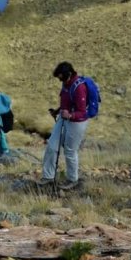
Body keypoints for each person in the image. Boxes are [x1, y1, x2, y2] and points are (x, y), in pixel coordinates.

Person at [40, 61, 92, 191]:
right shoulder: (66, 84)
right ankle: (48, 177)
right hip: (63, 118)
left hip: (77, 122)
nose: (60, 81)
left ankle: (72, 179)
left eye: (61, 78)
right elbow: (66, 102)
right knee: (52, 145)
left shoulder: (79, 87)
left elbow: (82, 111)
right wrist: (58, 111)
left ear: (68, 74)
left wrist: (69, 115)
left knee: (70, 151)